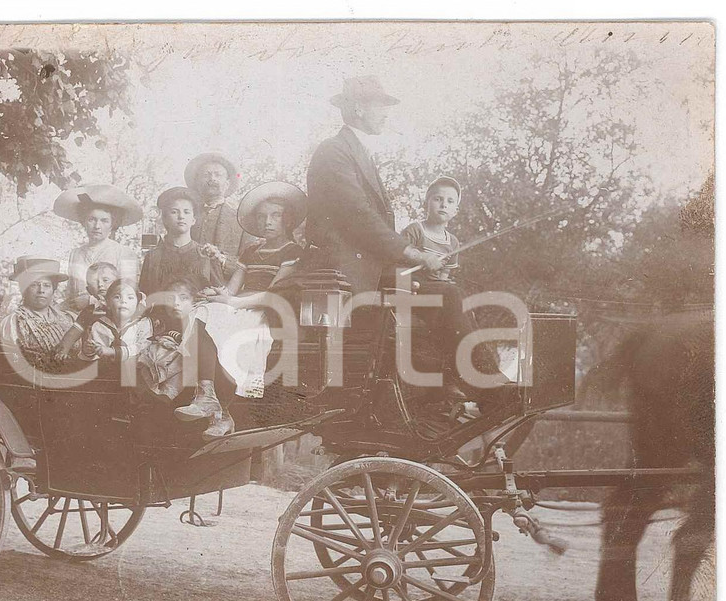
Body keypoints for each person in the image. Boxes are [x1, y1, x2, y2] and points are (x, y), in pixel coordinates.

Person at [174, 183, 310, 440]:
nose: (267, 222)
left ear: (288, 219)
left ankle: (222, 413)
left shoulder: (292, 252)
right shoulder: (251, 251)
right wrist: (219, 295)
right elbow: (233, 287)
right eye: (261, 216)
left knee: (228, 330)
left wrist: (233, 304)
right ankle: (207, 396)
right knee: (201, 312)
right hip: (238, 306)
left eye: (275, 215)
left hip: (263, 310)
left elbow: (275, 292)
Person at [402, 176, 509, 400]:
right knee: (452, 296)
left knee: (462, 308)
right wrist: (423, 260)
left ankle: (468, 379)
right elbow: (398, 261)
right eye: (438, 199)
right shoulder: (415, 230)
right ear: (427, 202)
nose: (443, 205)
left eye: (450, 201)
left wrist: (443, 277)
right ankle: (485, 379)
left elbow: (445, 275)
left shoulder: (452, 242)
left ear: (456, 210)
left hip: (438, 293)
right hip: (413, 289)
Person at [306, 76, 414, 294]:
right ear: (359, 109)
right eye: (381, 106)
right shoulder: (334, 150)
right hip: (343, 273)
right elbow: (357, 213)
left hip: (367, 266)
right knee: (446, 296)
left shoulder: (357, 150)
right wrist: (409, 251)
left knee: (440, 288)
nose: (386, 114)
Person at [53, 184, 142, 313]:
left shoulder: (125, 253)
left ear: (113, 224)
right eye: (92, 220)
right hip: (77, 319)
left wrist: (91, 302)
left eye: (104, 221)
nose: (97, 226)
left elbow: (129, 296)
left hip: (112, 319)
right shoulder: (76, 254)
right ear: (84, 222)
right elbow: (71, 293)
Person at [138, 187, 225, 296]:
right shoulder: (152, 257)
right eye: (174, 212)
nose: (181, 216)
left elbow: (221, 293)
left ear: (193, 220)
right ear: (165, 219)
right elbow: (144, 297)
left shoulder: (206, 255)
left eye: (186, 212)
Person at [0, 256, 77, 370]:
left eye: (47, 285)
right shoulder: (13, 322)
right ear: (23, 289)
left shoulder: (68, 319)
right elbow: (13, 361)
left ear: (53, 289)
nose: (41, 290)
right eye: (34, 285)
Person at [185, 152, 256, 260]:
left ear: (227, 184)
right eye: (206, 175)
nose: (212, 179)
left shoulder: (242, 218)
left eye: (218, 175)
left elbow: (249, 262)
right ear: (197, 183)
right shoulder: (185, 214)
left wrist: (222, 260)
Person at [78, 278, 153, 367]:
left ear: (137, 303)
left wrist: (114, 352)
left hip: (135, 373)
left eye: (130, 297)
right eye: (117, 297)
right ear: (108, 303)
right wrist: (89, 352)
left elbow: (144, 347)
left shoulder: (143, 324)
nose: (123, 301)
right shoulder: (99, 325)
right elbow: (95, 355)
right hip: (106, 374)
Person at [55, 261, 119, 361]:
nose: (100, 284)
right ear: (89, 290)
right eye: (95, 282)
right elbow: (73, 333)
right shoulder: (90, 311)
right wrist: (63, 351)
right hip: (94, 359)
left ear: (118, 284)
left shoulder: (126, 307)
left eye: (105, 280)